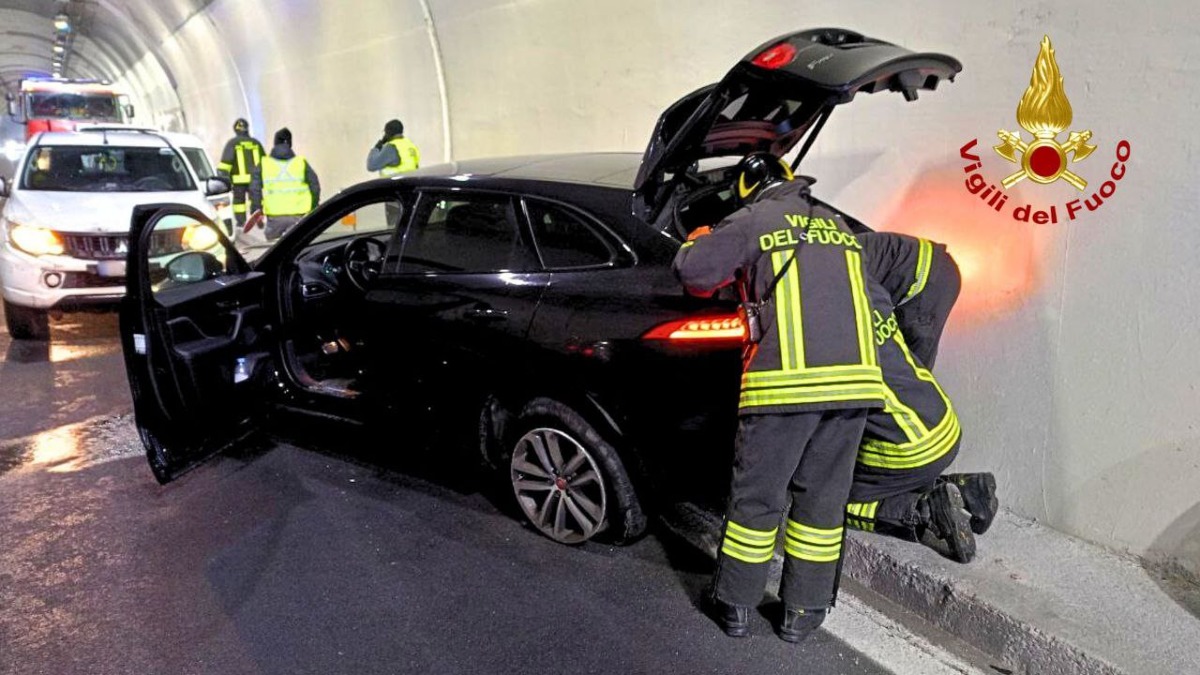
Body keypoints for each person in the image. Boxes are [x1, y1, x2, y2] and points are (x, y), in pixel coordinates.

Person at [673, 152, 886, 643]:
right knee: (822, 502)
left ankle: (735, 605)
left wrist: (698, 239)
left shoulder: (754, 220)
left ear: (749, 187)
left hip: (785, 386)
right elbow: (871, 299)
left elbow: (697, 275)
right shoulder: (836, 224)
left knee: (758, 499)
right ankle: (802, 614)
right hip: (855, 385)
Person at [844, 232, 997, 557]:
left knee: (827, 499)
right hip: (945, 429)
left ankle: (923, 511)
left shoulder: (833, 321)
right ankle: (965, 489)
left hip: (912, 448)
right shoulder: (844, 250)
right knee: (904, 376)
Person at [250, 127, 320, 241]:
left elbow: (254, 189)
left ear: (275, 143)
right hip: (299, 217)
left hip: (274, 218)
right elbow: (315, 186)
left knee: (275, 252)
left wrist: (256, 211)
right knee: (299, 247)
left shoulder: (264, 163)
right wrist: (314, 207)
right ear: (290, 143)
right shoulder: (301, 162)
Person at [216, 118, 265, 230]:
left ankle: (241, 221)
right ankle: (258, 218)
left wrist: (223, 180)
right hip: (255, 179)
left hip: (239, 181)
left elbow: (225, 164)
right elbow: (265, 161)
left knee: (239, 203)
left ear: (236, 129)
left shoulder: (232, 143)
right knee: (257, 199)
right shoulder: (256, 143)